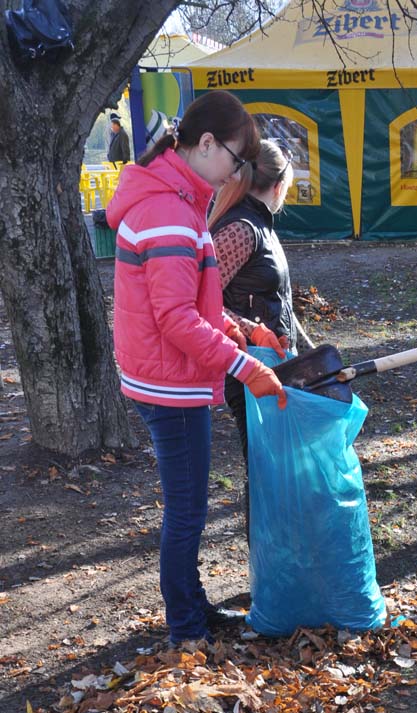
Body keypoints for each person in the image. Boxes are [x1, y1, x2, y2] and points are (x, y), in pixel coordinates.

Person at [105, 90, 288, 648]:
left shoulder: (178, 198)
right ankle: (186, 628)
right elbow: (176, 319)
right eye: (234, 159)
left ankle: (193, 608)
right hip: (168, 382)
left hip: (165, 374)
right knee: (186, 513)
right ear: (206, 143)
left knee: (188, 508)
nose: (234, 174)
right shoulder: (168, 212)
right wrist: (244, 366)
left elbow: (195, 298)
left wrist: (242, 328)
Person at [209, 138, 302, 540]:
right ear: (279, 185)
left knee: (279, 472)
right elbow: (200, 303)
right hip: (248, 370)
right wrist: (252, 330)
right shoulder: (241, 229)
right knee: (265, 474)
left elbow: (278, 300)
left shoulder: (260, 224)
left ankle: (282, 559)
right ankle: (268, 566)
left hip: (273, 365)